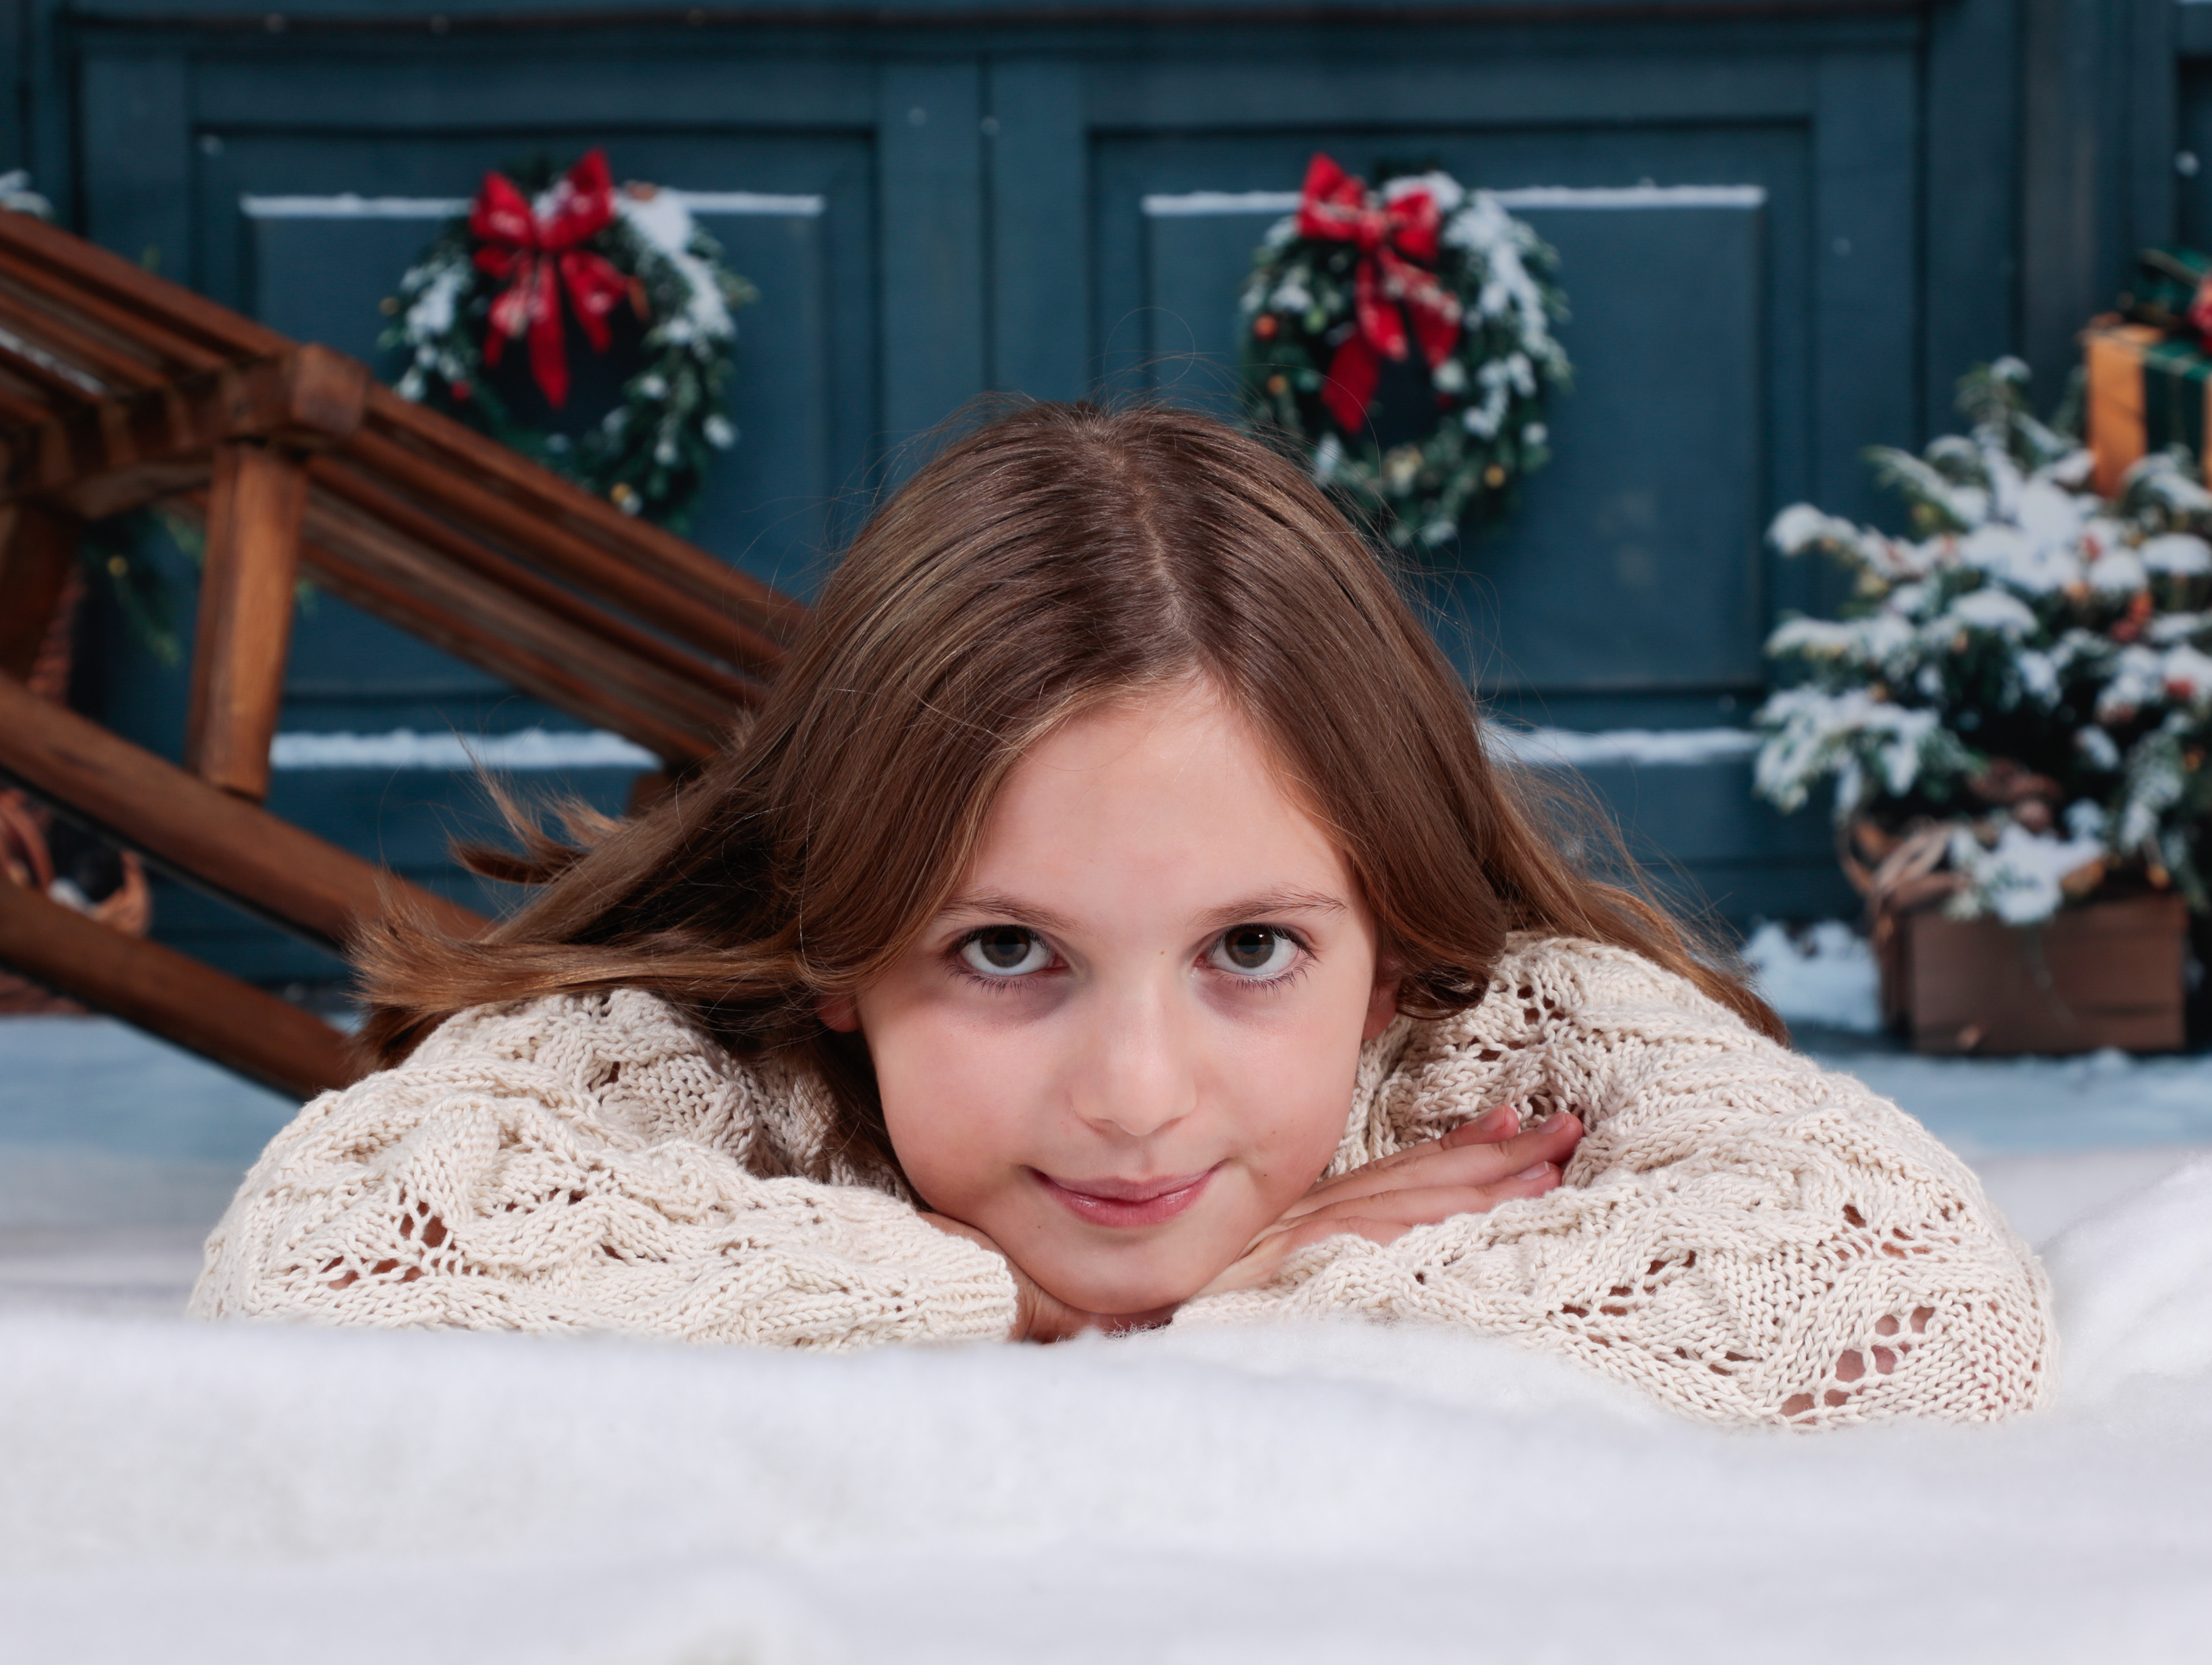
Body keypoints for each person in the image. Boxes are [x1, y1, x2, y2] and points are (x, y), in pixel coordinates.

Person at [192, 402, 2053, 1426]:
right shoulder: (696, 1061)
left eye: (1253, 950)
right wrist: (1044, 1301)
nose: (1140, 1094)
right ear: (841, 942)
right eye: (1008, 950)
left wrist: (1285, 1289)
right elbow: (310, 1282)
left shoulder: (1491, 1042)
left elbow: (1929, 1299)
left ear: (1388, 932)